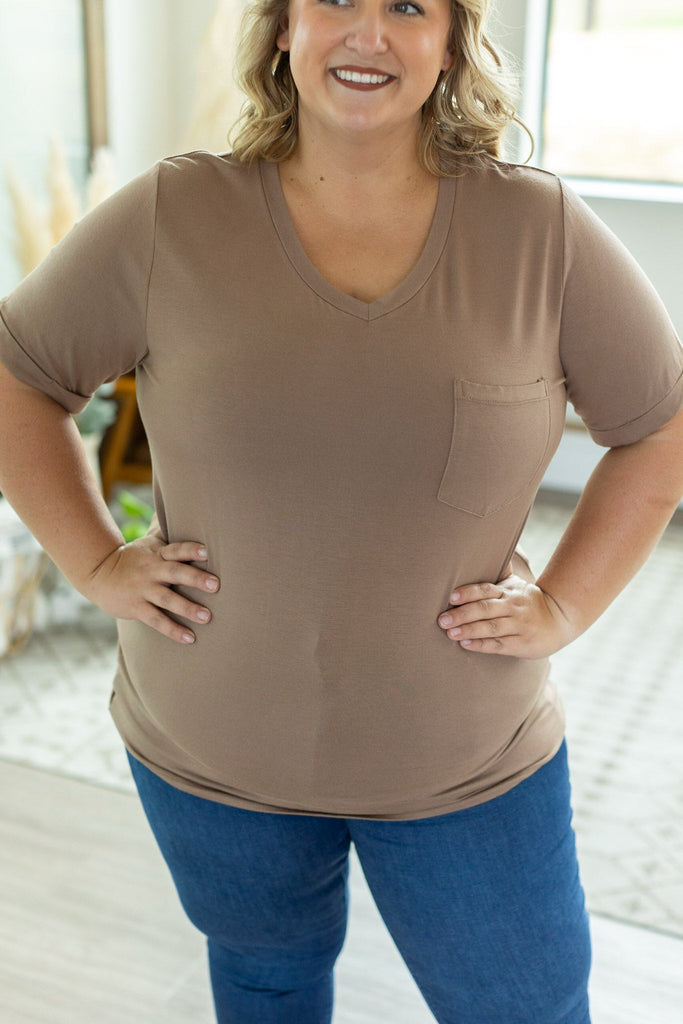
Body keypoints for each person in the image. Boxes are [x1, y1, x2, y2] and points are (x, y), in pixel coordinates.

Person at [1, 0, 682, 1020]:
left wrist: (565, 605)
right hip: (211, 757)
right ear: (284, 27)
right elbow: (19, 377)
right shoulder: (172, 214)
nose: (367, 34)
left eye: (406, 6)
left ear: (449, 41)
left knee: (528, 1008)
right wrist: (96, 561)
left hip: (467, 766)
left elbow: (658, 427)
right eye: (334, 1)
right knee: (265, 980)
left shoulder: (536, 230)